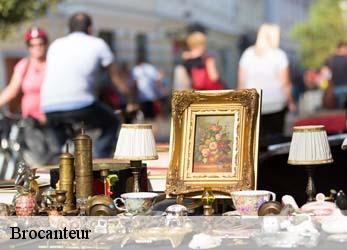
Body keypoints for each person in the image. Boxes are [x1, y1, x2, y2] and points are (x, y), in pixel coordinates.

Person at [41, 13, 137, 158]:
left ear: (69, 28)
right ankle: (98, 163)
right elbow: (116, 77)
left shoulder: (55, 44)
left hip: (49, 106)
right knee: (112, 122)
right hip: (81, 104)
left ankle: (62, 166)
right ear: (90, 28)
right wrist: (131, 99)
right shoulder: (98, 44)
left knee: (63, 152)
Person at [237, 24, 295, 143]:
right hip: (276, 102)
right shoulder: (279, 55)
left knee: (256, 140)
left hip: (254, 102)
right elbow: (285, 82)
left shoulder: (248, 54)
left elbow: (241, 82)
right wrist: (291, 102)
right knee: (276, 139)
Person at [0, 27, 48, 123]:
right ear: (28, 47)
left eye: (40, 44)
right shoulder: (24, 65)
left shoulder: (52, 64)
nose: (37, 47)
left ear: (46, 44)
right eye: (32, 45)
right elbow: (11, 90)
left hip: (51, 118)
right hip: (30, 120)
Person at [132, 55, 162, 120]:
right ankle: (153, 130)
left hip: (141, 97)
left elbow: (135, 84)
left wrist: (134, 98)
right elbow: (157, 81)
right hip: (152, 97)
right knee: (153, 118)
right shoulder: (151, 68)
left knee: (143, 118)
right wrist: (159, 94)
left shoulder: (136, 69)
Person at [324, 41, 347, 108]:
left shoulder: (331, 60)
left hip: (334, 88)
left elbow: (325, 74)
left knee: (338, 111)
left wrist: (327, 88)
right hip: (345, 87)